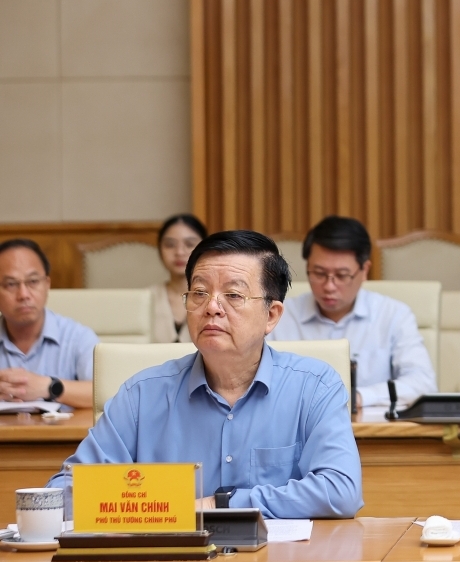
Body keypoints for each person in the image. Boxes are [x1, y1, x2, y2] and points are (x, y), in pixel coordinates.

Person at [47, 230, 363, 519]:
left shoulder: (313, 387)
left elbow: (341, 490)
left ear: (271, 315)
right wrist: (159, 506)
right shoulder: (141, 395)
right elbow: (65, 494)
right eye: (199, 292)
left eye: (233, 295)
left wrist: (221, 504)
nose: (212, 307)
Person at [268, 216, 437, 407]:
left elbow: (423, 383)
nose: (329, 286)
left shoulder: (393, 315)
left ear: (364, 270)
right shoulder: (278, 315)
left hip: (368, 423)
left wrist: (359, 397)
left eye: (342, 275)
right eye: (319, 273)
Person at [0, 239, 98, 409]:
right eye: (11, 284)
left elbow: (107, 393)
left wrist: (49, 387)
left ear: (47, 285)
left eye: (33, 281)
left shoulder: (78, 337)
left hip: (65, 427)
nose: (23, 294)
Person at [151, 214, 208, 343]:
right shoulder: (144, 299)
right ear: (159, 250)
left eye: (189, 244)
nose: (179, 252)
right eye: (170, 245)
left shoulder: (217, 298)